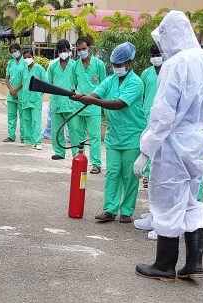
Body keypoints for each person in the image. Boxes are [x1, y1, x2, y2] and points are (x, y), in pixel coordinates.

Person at [132, 11, 203, 282]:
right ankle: (194, 262)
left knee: (167, 200)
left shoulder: (176, 64)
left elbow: (163, 114)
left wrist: (145, 150)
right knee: (190, 200)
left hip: (175, 141)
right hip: (200, 140)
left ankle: (164, 265)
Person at [73, 42, 146, 224]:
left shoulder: (136, 82)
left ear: (129, 64)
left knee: (129, 175)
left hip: (132, 135)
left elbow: (119, 104)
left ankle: (127, 211)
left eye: (120, 65)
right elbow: (96, 94)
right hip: (114, 136)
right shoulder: (110, 80)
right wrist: (82, 97)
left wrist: (92, 101)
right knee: (112, 172)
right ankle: (109, 209)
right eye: (114, 65)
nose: (116, 68)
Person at [73, 36, 106, 174]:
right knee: (78, 135)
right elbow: (74, 84)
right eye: (79, 49)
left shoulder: (99, 64)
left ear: (89, 48)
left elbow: (104, 85)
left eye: (84, 49)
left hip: (93, 106)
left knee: (94, 136)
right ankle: (78, 161)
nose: (81, 52)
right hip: (78, 106)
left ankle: (96, 164)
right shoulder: (75, 65)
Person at [47, 39, 79, 160]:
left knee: (74, 130)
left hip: (71, 103)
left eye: (65, 50)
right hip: (56, 102)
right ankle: (59, 152)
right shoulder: (53, 66)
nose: (63, 53)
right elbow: (49, 84)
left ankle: (76, 153)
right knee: (56, 130)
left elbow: (78, 83)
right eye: (60, 51)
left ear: (69, 51)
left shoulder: (75, 65)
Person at [139, 43, 163, 189]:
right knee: (147, 144)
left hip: (163, 114)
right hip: (147, 113)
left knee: (161, 146)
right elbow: (141, 94)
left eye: (158, 55)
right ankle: (147, 175)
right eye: (153, 56)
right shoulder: (146, 74)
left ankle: (157, 176)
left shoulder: (169, 71)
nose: (156, 58)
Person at [18, 48, 45, 150]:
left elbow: (45, 83)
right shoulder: (24, 69)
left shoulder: (39, 69)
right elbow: (23, 83)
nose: (27, 59)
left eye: (29, 57)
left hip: (36, 99)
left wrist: (39, 95)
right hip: (25, 99)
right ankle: (28, 140)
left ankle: (37, 141)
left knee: (36, 121)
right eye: (25, 58)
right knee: (26, 120)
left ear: (33, 57)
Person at [3, 43, 24, 143]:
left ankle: (24, 136)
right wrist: (11, 90)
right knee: (11, 116)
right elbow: (7, 78)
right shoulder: (10, 63)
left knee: (23, 116)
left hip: (21, 93)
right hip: (11, 94)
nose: (13, 53)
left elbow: (25, 79)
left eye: (15, 51)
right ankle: (11, 136)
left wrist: (15, 90)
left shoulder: (25, 62)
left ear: (19, 50)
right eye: (11, 52)